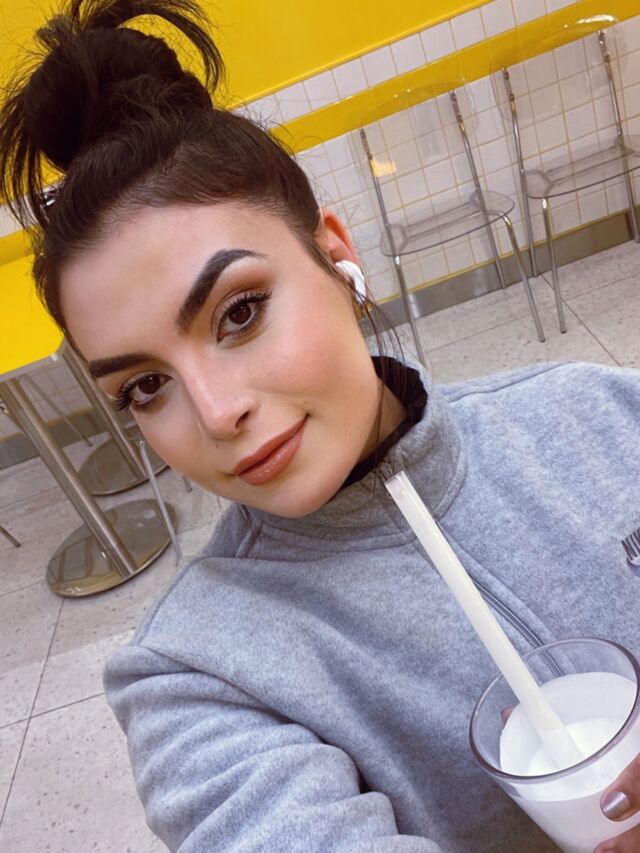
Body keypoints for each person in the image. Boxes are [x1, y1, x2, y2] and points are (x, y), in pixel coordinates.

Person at [1, 1, 639, 850]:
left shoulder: (601, 413)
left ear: (336, 254)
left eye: (239, 312)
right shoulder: (196, 676)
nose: (217, 412)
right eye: (147, 386)